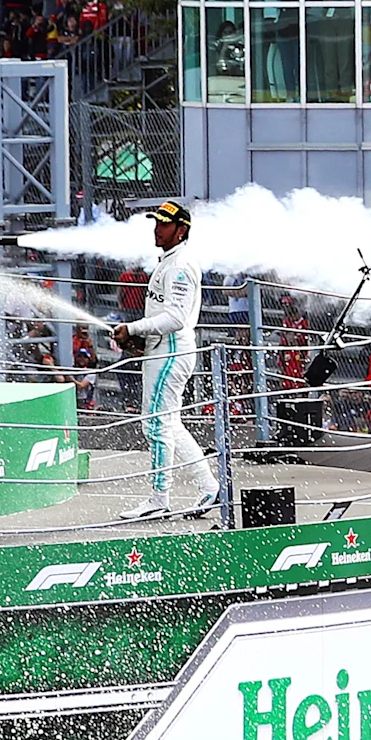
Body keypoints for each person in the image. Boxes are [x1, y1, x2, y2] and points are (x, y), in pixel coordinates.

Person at [113, 199, 215, 522]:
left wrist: (133, 328)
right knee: (169, 423)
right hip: (163, 350)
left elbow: (175, 318)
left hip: (171, 352)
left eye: (164, 224)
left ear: (181, 230)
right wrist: (140, 339)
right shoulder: (170, 261)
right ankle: (210, 487)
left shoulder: (181, 265)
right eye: (156, 223)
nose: (158, 229)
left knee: (156, 425)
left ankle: (159, 499)